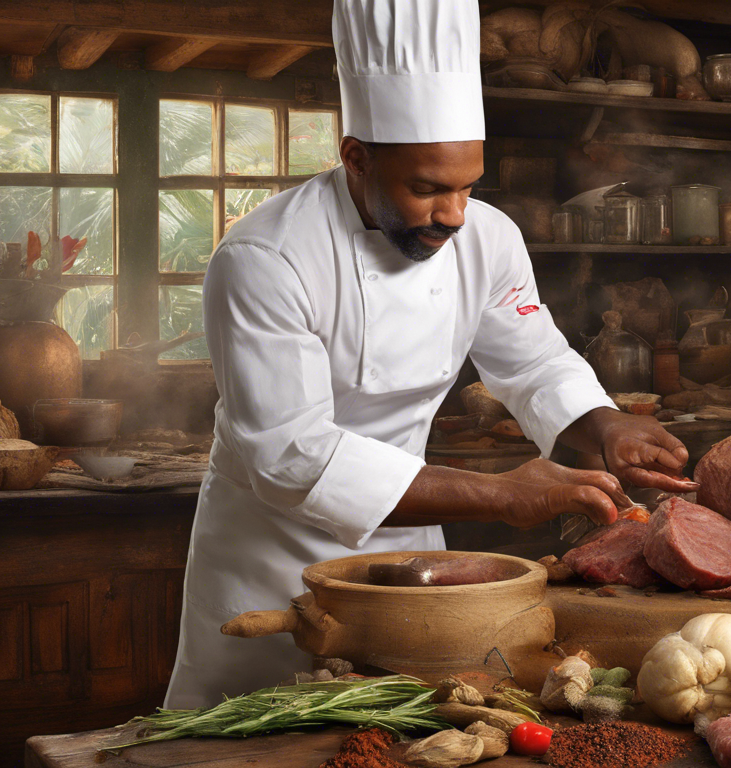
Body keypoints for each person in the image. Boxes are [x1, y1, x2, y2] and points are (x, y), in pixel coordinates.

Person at [164, 0, 694, 708]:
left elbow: (534, 361)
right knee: (255, 738)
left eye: (468, 187)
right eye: (427, 189)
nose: (453, 215)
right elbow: (291, 454)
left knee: (407, 730)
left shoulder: (488, 236)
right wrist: (501, 494)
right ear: (356, 156)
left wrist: (605, 422)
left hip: (411, 547)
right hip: (270, 556)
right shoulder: (265, 257)